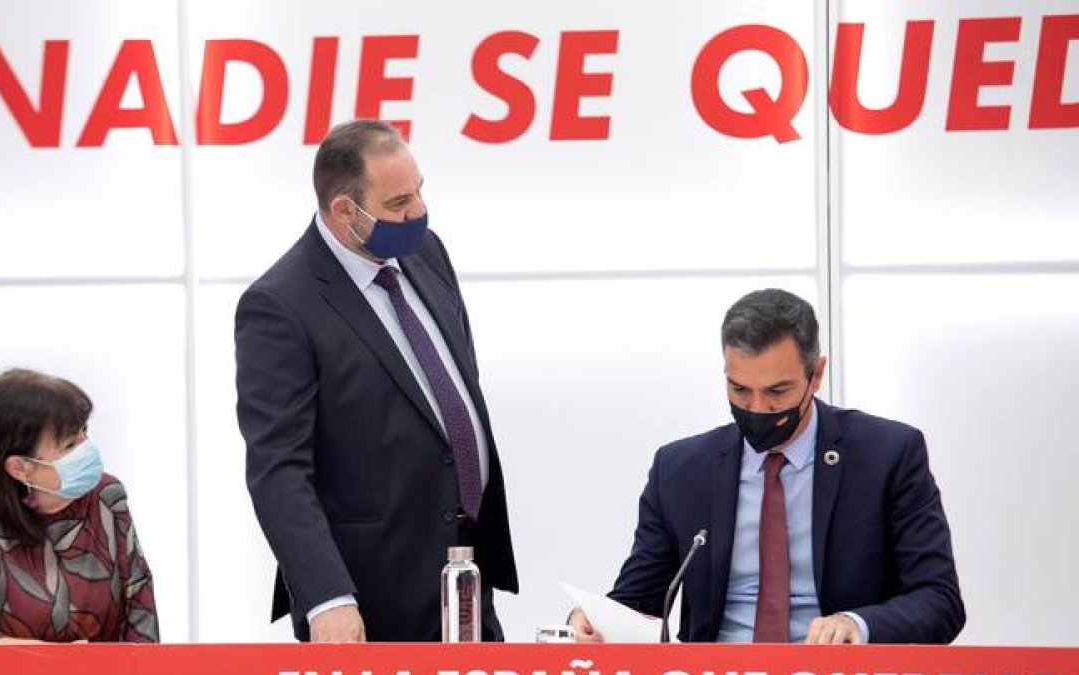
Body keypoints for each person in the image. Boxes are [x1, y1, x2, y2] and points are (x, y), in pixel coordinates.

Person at [235, 119, 517, 642]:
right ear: (344, 209)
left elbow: (451, 391)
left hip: (464, 581)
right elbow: (278, 469)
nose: (418, 213)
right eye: (397, 203)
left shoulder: (426, 252)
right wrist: (326, 597)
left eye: (419, 192)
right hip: (368, 601)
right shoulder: (280, 305)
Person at [570, 289, 964, 644]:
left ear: (817, 374)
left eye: (777, 391)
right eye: (739, 389)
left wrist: (856, 624)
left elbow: (939, 601)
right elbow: (638, 601)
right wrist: (590, 622)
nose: (757, 409)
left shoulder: (888, 455)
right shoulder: (679, 470)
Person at [0, 368, 158, 643]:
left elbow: (141, 623)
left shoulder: (107, 496)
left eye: (84, 431)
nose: (87, 448)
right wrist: (53, 662)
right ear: (20, 468)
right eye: (70, 444)